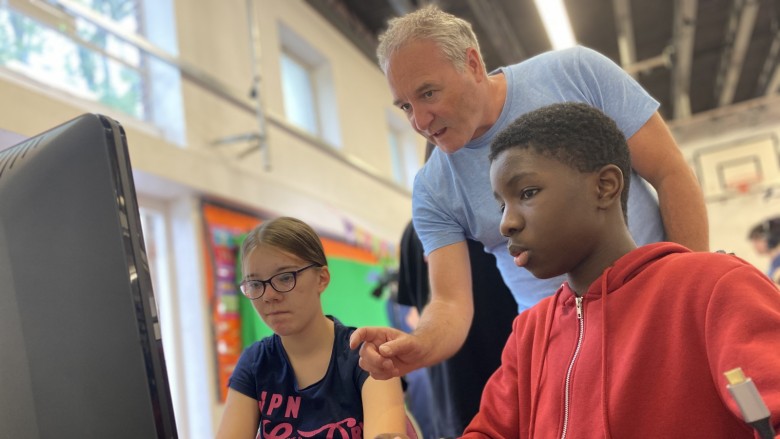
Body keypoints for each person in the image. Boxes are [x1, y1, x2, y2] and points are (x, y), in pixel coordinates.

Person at [350, 4, 710, 381]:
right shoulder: (432, 187)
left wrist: (688, 290)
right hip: (561, 347)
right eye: (405, 106)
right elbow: (450, 303)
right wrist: (419, 345)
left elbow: (670, 172)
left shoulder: (576, 73)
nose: (420, 121)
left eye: (428, 93)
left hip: (656, 298)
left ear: (472, 64)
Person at [460, 102, 780, 437]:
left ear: (605, 186)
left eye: (527, 193)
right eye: (502, 205)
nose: (507, 223)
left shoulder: (712, 287)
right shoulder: (530, 332)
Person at [215, 217, 408, 439]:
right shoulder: (255, 362)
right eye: (256, 284)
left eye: (285, 278)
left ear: (322, 278)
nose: (269, 296)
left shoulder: (367, 355)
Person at [397, 221, 516, 438]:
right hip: (478, 395)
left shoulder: (504, 218)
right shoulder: (418, 229)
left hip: (479, 394)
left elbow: (415, 314)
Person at [748, 217, 780, 284]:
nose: (754, 245)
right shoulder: (774, 264)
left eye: (757, 239)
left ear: (771, 238)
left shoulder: (777, 265)